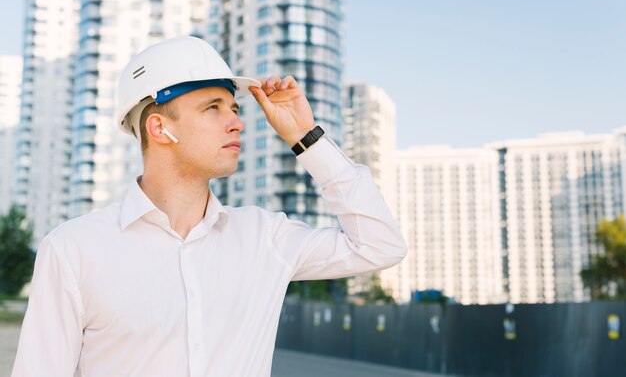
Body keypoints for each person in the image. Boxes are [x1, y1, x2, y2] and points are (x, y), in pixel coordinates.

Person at [11, 36, 407, 377]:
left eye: (234, 109)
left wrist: (306, 136)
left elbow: (380, 245)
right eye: (213, 108)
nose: (236, 122)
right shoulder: (73, 249)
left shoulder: (264, 238)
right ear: (160, 128)